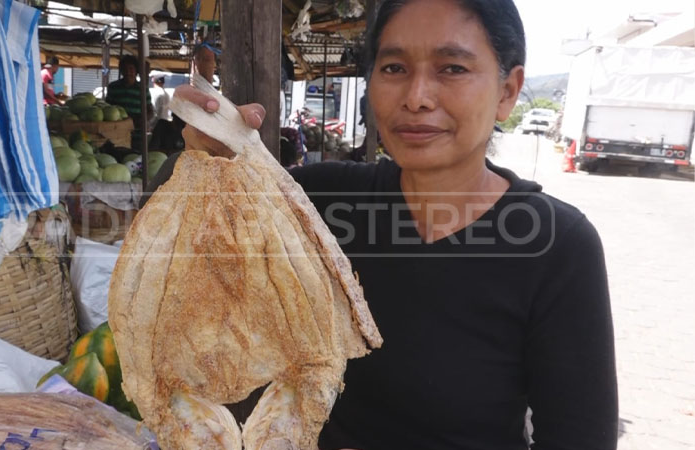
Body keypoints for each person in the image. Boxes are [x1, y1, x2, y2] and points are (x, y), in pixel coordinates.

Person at [149, 1, 619, 447]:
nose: (416, 98)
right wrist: (205, 159)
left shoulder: (554, 246)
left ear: (508, 92)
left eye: (452, 68)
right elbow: (180, 233)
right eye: (394, 68)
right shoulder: (323, 203)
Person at [107, 54, 153, 150]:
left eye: (131, 69)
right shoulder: (113, 87)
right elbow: (107, 108)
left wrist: (142, 120)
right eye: (125, 69)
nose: (128, 72)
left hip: (137, 134)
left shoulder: (143, 89)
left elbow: (150, 111)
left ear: (136, 70)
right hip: (117, 134)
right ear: (121, 71)